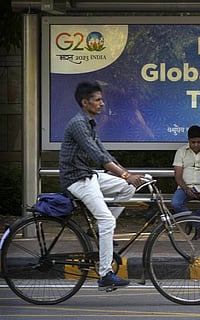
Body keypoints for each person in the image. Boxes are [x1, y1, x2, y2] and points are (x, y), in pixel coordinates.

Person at [59, 81, 144, 291]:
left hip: (88, 175)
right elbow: (97, 156)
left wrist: (128, 177)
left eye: (101, 99)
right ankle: (105, 274)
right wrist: (125, 174)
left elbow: (105, 154)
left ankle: (97, 230)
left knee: (127, 188)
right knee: (108, 221)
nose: (102, 104)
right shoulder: (78, 124)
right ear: (84, 102)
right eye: (97, 100)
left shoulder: (89, 122)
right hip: (76, 179)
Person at [171, 125, 200, 240]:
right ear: (188, 140)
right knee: (175, 203)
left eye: (198, 142)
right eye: (193, 142)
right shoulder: (181, 152)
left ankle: (191, 219)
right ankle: (197, 223)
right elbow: (178, 175)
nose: (196, 145)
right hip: (185, 187)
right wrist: (186, 189)